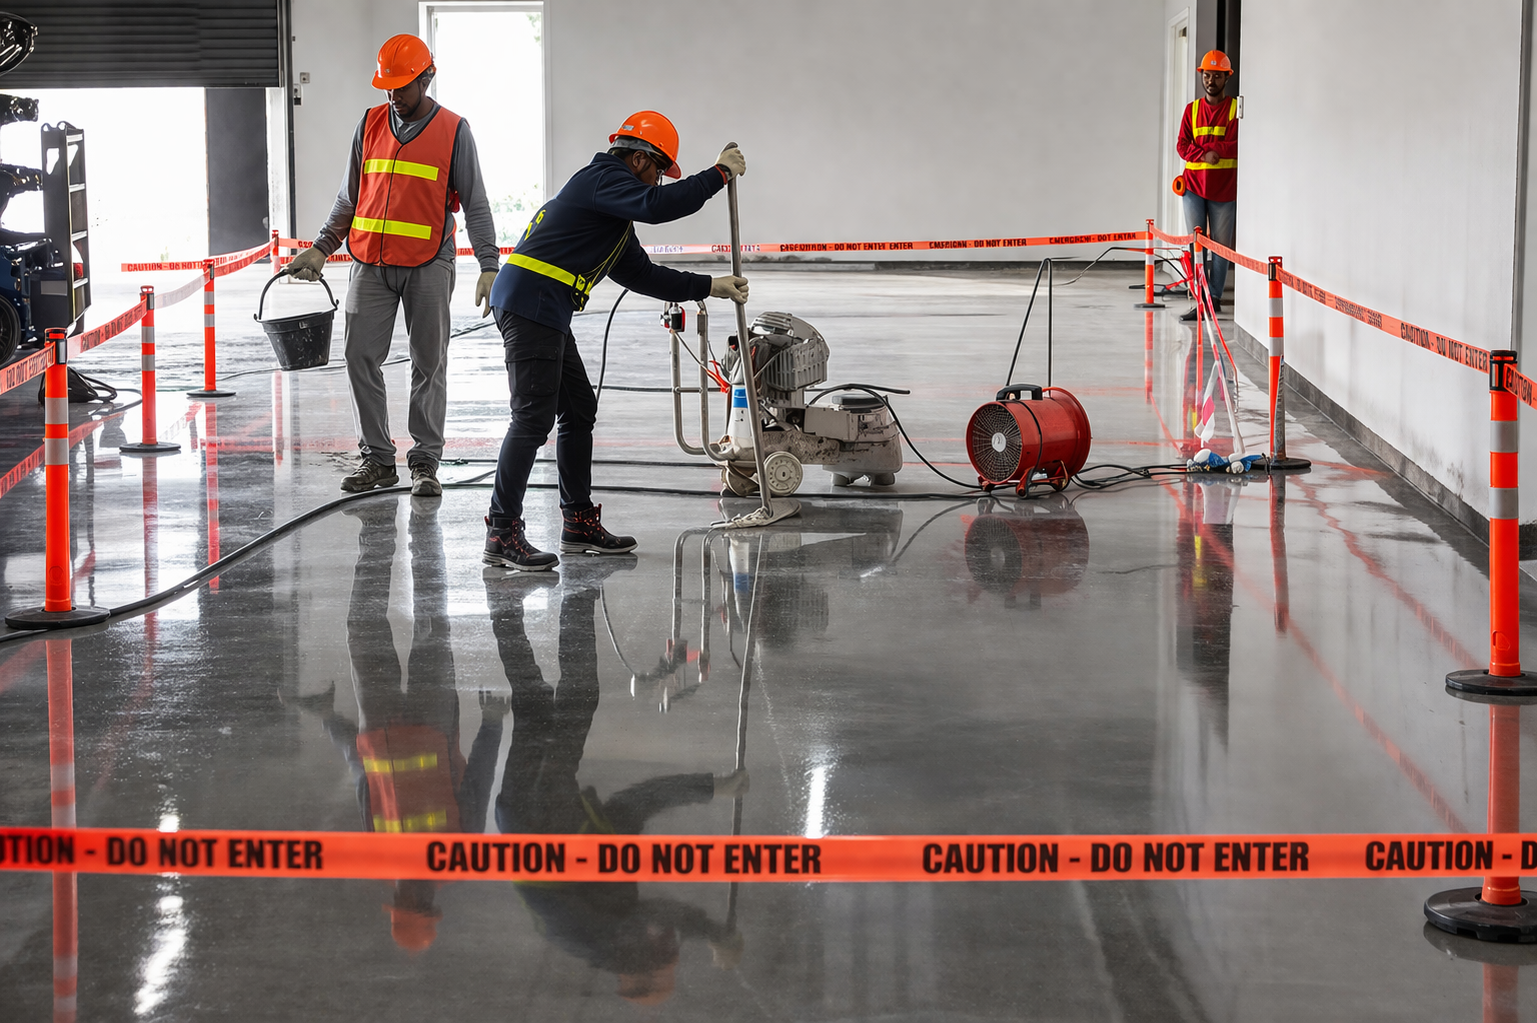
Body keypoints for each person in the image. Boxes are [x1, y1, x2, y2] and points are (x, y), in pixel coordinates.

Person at [481, 111, 750, 570]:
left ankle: (577, 521)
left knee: (579, 408)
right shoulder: (602, 178)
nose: (661, 183)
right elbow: (660, 207)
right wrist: (719, 174)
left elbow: (643, 274)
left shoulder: (610, 213)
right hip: (532, 304)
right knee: (531, 419)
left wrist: (709, 287)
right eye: (662, 172)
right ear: (643, 159)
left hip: (542, 307)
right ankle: (502, 532)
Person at [485, 564, 748, 1002]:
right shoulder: (613, 902)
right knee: (540, 705)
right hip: (541, 808)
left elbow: (657, 910)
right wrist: (712, 786)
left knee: (562, 702)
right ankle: (528, 604)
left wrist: (713, 932)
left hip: (535, 815)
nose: (663, 936)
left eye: (660, 947)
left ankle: (557, 600)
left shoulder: (591, 936)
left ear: (640, 960)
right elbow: (641, 802)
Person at [288, 34, 500, 497]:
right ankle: (378, 459)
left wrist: (489, 264)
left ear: (427, 77)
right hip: (368, 261)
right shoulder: (369, 123)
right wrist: (323, 247)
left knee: (429, 362)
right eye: (387, 86)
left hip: (429, 263)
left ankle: (425, 461)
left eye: (403, 86)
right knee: (359, 357)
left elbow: (477, 204)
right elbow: (350, 196)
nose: (394, 96)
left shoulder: (454, 131)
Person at [1176, 50, 1238, 321]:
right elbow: (1182, 145)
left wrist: (1209, 148)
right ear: (1202, 76)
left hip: (1224, 189)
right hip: (1193, 188)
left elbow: (1237, 144)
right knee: (1197, 245)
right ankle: (1201, 298)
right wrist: (1202, 155)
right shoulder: (1192, 110)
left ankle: (1214, 297)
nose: (1211, 80)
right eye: (1207, 75)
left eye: (1217, 76)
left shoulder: (1236, 109)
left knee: (1221, 247)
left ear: (1227, 78)